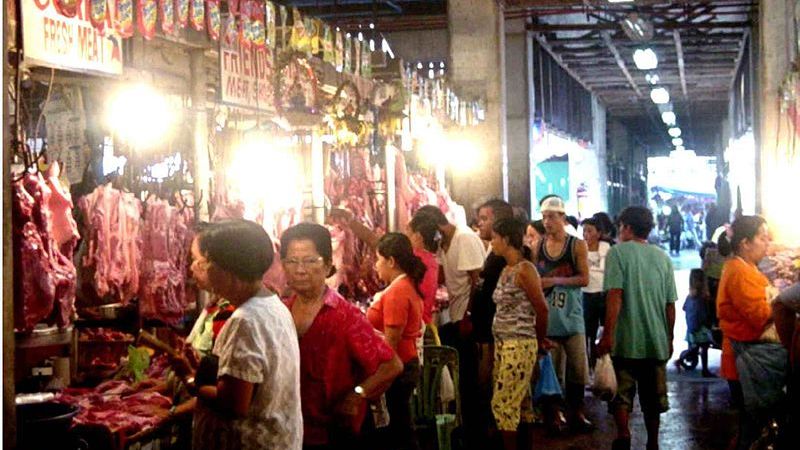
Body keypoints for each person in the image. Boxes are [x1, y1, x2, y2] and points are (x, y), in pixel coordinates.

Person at [175, 219, 303, 449]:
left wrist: (189, 378)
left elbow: (233, 405)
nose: (202, 270)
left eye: (206, 262)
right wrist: (204, 370)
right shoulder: (273, 305)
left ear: (228, 268)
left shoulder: (245, 320)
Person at [280, 223, 403, 450]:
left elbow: (391, 365)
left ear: (328, 265)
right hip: (290, 429)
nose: (300, 270)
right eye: (292, 261)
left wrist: (357, 394)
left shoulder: (346, 316)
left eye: (310, 261)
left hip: (333, 432)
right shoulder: (281, 312)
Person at [597, 206, 677, 450]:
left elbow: (615, 295)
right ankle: (653, 442)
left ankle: (624, 435)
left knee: (621, 395)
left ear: (627, 227)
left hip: (625, 340)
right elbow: (670, 304)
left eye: (621, 227)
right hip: (655, 340)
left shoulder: (617, 253)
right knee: (653, 399)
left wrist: (607, 334)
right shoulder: (663, 257)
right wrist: (669, 337)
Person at [413, 205, 486, 448]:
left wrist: (468, 316)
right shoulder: (446, 243)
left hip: (466, 318)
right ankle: (463, 428)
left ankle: (475, 434)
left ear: (436, 226)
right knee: (460, 376)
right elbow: (443, 276)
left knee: (468, 378)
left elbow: (478, 281)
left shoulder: (464, 238)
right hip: (455, 315)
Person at [716, 216, 787, 450]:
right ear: (745, 243)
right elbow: (759, 315)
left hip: (748, 355)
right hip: (746, 358)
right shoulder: (739, 271)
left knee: (750, 423)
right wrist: (781, 300)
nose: (767, 243)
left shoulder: (746, 267)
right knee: (751, 424)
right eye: (762, 238)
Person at [532, 195, 592, 434]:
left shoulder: (576, 245)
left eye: (551, 217)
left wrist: (554, 280)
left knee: (577, 369)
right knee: (551, 371)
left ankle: (576, 411)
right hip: (550, 316)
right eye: (544, 217)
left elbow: (584, 279)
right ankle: (554, 414)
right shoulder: (539, 246)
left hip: (572, 315)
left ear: (562, 218)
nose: (547, 222)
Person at [489, 218, 550, 450]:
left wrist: (539, 341)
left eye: (494, 238)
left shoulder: (525, 270)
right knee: (519, 402)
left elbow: (542, 309)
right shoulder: (507, 269)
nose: (492, 243)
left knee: (503, 404)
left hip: (519, 343)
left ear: (506, 240)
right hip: (504, 343)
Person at [367, 233, 425, 450]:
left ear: (391, 261)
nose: (376, 266)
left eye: (378, 259)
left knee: (398, 428)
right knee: (400, 423)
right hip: (405, 362)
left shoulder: (397, 292)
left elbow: (391, 343)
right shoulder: (405, 285)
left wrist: (379, 375)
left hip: (399, 366)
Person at [471, 199, 515, 447]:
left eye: (485, 219)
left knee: (498, 389)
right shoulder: (493, 252)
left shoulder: (507, 262)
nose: (479, 223)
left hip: (497, 333)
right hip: (487, 331)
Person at [581, 217, 610, 368]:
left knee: (605, 328)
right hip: (586, 294)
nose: (586, 234)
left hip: (603, 294)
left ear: (599, 233)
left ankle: (605, 361)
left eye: (590, 231)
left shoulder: (606, 247)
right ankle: (591, 362)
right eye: (584, 231)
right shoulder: (580, 248)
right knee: (589, 331)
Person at [675, 269, 715, 377]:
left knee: (695, 347)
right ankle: (705, 370)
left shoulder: (690, 295)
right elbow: (704, 314)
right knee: (704, 347)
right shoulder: (703, 297)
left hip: (692, 326)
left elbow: (684, 308)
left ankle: (681, 360)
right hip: (701, 327)